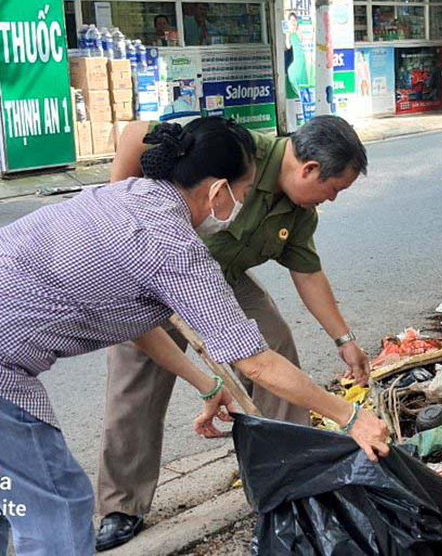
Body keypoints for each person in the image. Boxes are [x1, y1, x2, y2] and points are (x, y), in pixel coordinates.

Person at [0, 117, 390, 555]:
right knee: (58, 500)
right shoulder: (176, 243)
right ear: (220, 191)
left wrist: (209, 382)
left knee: (10, 496)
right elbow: (255, 361)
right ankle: (122, 505)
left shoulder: (134, 197)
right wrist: (351, 417)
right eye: (242, 195)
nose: (244, 203)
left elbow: (136, 322)